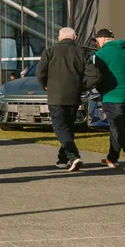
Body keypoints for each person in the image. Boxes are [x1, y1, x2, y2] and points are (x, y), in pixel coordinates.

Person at [37, 26, 100, 172]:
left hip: (55, 96)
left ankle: (73, 156)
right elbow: (95, 75)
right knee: (69, 127)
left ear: (59, 38)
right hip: (73, 96)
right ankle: (63, 158)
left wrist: (45, 85)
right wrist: (83, 87)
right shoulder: (81, 53)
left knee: (59, 127)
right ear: (75, 38)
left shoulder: (50, 52)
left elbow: (40, 73)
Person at [91, 28, 125, 170]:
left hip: (112, 94)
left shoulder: (101, 54)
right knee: (118, 125)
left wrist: (97, 87)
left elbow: (95, 74)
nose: (96, 44)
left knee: (117, 128)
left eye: (96, 41)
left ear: (101, 39)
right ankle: (112, 158)